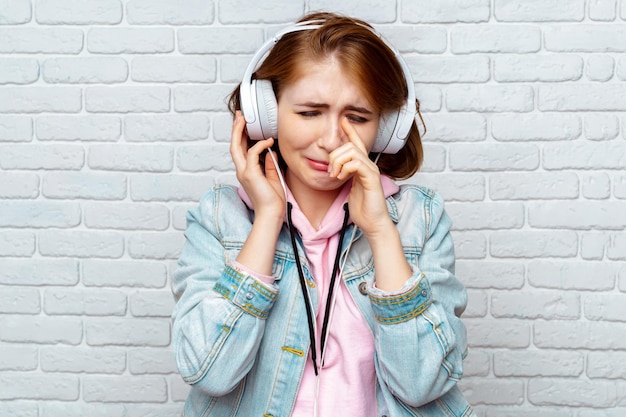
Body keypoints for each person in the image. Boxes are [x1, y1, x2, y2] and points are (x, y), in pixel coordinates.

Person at [171, 11, 474, 417]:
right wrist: (266, 219)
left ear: (386, 129)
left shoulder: (420, 218)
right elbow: (209, 372)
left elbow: (422, 384)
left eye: (358, 118)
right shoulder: (220, 217)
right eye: (310, 112)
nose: (331, 140)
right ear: (266, 115)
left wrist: (382, 232)